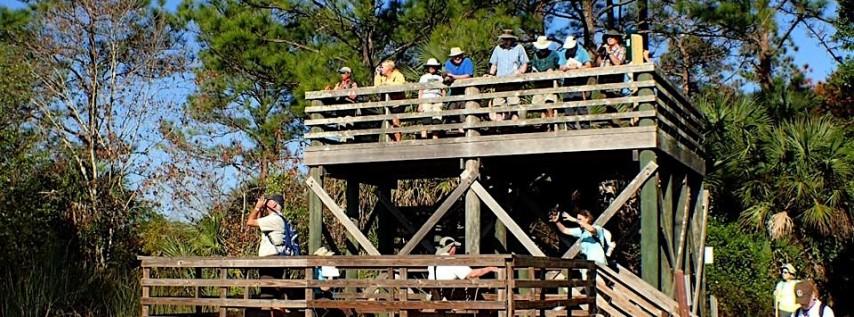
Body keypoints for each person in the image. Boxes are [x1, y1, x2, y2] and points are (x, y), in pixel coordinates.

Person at [246, 194, 300, 299]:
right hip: (275, 260)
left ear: (274, 204)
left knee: (268, 297)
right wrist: (261, 210)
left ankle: (281, 310)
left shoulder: (274, 219)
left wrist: (257, 207)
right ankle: (280, 309)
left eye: (268, 201)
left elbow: (250, 222)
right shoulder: (279, 219)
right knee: (273, 295)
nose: (266, 202)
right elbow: (260, 225)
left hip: (270, 262)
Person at [428, 237, 501, 301]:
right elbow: (472, 274)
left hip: (435, 298)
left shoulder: (432, 262)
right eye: (455, 247)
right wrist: (489, 268)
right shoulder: (452, 261)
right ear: (452, 248)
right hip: (449, 300)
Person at [549, 209, 607, 278]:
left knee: (598, 282)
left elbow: (592, 230)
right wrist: (557, 222)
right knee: (587, 283)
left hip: (598, 261)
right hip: (588, 262)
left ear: (587, 219)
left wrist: (573, 219)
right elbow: (565, 230)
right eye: (578, 219)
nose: (579, 221)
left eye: (580, 219)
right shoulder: (581, 231)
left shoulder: (597, 228)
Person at [487, 29, 529, 121]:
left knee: (514, 106)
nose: (506, 41)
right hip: (500, 82)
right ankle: (500, 129)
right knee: (498, 105)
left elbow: (524, 63)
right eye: (504, 39)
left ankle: (514, 130)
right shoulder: (498, 49)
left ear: (512, 39)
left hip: (513, 82)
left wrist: (520, 72)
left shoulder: (519, 48)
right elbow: (494, 64)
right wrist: (491, 74)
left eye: (508, 39)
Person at [373, 60, 407, 142]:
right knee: (389, 124)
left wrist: (387, 85)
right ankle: (392, 141)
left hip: (397, 103)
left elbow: (401, 84)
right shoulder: (382, 77)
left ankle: (398, 142)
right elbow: (377, 86)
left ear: (389, 68)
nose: (381, 68)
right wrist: (377, 74)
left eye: (383, 67)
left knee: (395, 122)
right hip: (387, 105)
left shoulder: (398, 75)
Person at [529, 36, 561, 120]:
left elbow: (560, 67)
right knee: (540, 104)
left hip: (550, 84)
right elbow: (533, 68)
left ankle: (551, 121)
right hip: (539, 84)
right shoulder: (536, 56)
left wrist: (553, 72)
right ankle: (545, 124)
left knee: (549, 102)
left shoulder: (554, 54)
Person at [443, 47, 475, 127]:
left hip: (466, 90)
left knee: (465, 110)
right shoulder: (448, 63)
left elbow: (468, 75)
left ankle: (465, 129)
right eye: (455, 56)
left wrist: (454, 77)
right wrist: (447, 77)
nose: (457, 57)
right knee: (451, 110)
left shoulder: (467, 61)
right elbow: (447, 76)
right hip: (454, 91)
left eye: (459, 55)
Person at [418, 58, 445, 139]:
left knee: (437, 120)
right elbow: (420, 90)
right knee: (426, 120)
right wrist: (420, 104)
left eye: (433, 66)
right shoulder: (423, 77)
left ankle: (435, 138)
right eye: (430, 66)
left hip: (437, 100)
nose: (432, 68)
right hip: (426, 98)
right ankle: (424, 137)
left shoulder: (440, 77)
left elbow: (443, 90)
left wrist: (443, 100)